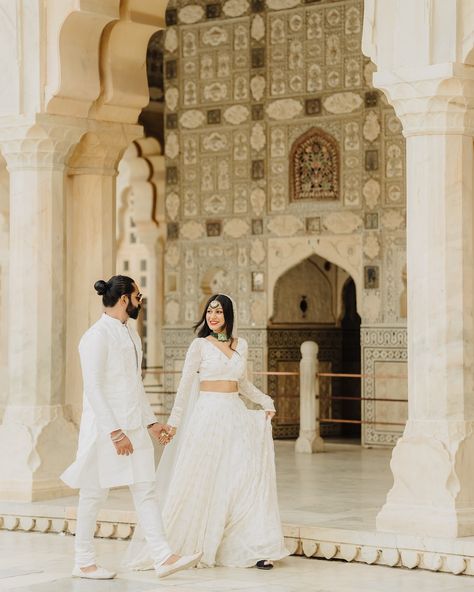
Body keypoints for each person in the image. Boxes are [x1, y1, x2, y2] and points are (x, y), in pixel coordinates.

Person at [126, 293, 289, 570]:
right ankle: (193, 546)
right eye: (209, 312)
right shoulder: (200, 345)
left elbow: (243, 384)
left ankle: (254, 547)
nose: (213, 317)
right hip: (208, 418)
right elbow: (186, 386)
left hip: (235, 415)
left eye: (219, 312)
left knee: (243, 480)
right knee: (206, 480)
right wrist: (173, 425)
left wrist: (266, 401)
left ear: (228, 316)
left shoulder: (242, 345)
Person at [61, 276, 202, 580]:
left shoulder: (131, 335)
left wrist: (151, 423)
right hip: (104, 431)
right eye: (139, 296)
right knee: (94, 494)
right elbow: (94, 388)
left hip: (134, 428)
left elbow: (134, 385)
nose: (142, 301)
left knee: (145, 490)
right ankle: (83, 562)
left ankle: (163, 556)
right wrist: (115, 432)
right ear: (125, 298)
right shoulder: (95, 337)